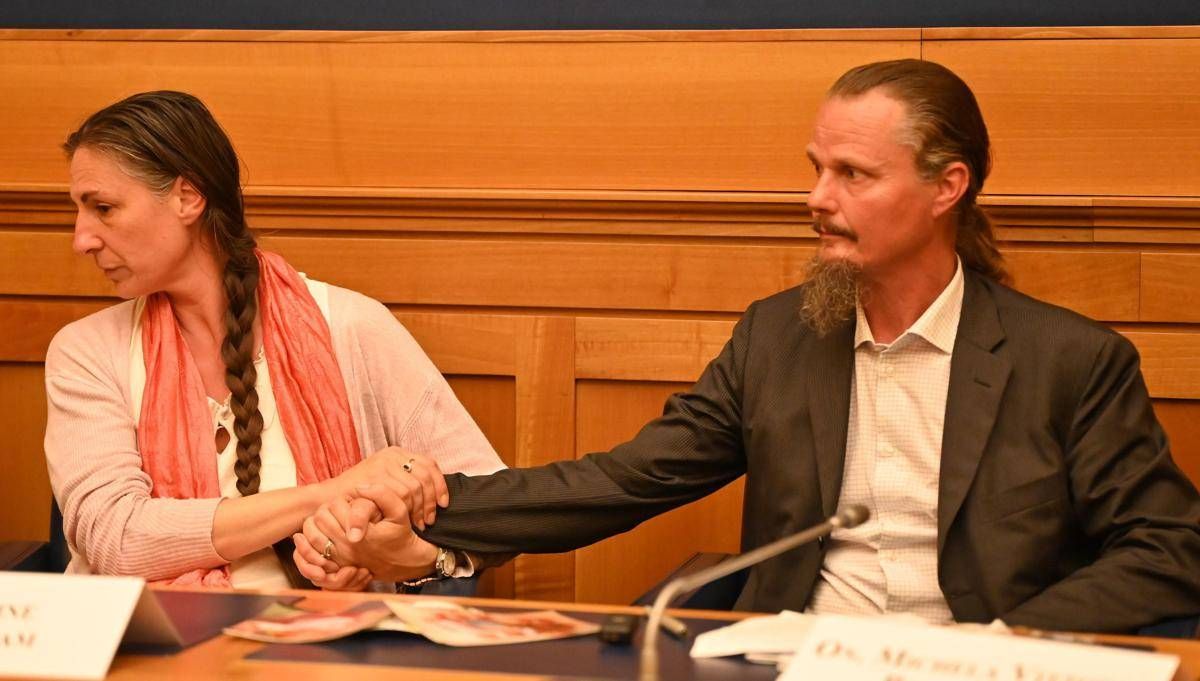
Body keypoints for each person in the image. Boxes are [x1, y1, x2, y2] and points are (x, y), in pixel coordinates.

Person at [294, 60, 1200, 632]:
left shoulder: (1070, 362)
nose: (816, 197)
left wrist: (1004, 642)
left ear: (946, 188)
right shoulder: (780, 338)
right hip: (799, 658)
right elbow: (623, 479)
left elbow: (1167, 549)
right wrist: (427, 510)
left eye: (852, 174)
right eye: (816, 168)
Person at [44, 90, 504, 589]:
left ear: (187, 198)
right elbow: (116, 541)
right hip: (142, 636)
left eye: (104, 208)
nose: (81, 239)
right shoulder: (86, 353)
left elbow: (493, 507)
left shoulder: (353, 328)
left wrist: (400, 559)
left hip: (334, 635)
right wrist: (331, 494)